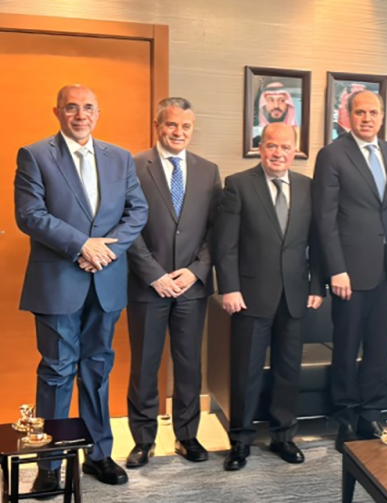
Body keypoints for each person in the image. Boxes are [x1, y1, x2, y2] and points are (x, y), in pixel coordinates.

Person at [14, 84, 148, 490]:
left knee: (98, 367)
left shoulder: (120, 158)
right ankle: (49, 467)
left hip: (106, 280)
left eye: (88, 107)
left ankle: (99, 455)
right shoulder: (35, 155)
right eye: (71, 107)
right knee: (57, 371)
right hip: (57, 281)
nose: (80, 114)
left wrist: (105, 252)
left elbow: (137, 211)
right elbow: (30, 214)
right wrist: (82, 246)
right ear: (57, 112)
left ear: (98, 113)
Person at [213, 122, 325, 471]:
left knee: (288, 370)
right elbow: (225, 244)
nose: (278, 153)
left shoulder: (307, 187)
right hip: (249, 295)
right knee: (245, 371)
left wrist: (317, 286)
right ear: (260, 148)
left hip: (295, 294)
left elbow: (316, 241)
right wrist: (229, 287)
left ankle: (283, 436)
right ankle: (241, 440)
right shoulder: (238, 184)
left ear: (295, 152)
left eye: (285, 147)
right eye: (271, 146)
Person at [125, 97, 222, 468]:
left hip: (191, 287)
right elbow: (125, 225)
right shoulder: (133, 166)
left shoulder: (208, 171)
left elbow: (216, 230)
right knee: (145, 364)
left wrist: (197, 269)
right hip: (147, 286)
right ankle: (143, 439)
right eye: (171, 124)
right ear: (157, 125)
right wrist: (154, 274)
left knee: (188, 364)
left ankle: (187, 435)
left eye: (186, 126)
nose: (178, 132)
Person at [312, 90, 387, 452]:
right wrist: (336, 269)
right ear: (348, 116)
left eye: (373, 112)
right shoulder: (333, 154)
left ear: (382, 116)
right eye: (360, 112)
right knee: (347, 347)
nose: (367, 118)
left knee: (380, 349)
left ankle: (371, 413)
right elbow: (325, 218)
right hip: (349, 273)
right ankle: (346, 418)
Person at [252, 82, 300, 148]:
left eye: (282, 101)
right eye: (271, 100)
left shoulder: (298, 135)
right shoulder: (253, 134)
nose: (276, 106)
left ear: (288, 105)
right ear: (263, 104)